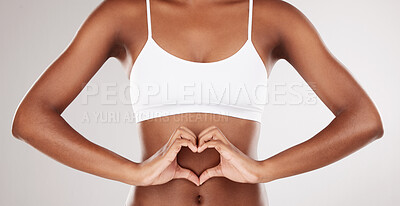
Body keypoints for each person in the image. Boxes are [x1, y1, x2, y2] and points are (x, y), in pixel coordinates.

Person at [11, 0, 384, 205]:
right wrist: (133, 172)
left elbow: (363, 119)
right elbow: (31, 118)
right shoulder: (123, 14)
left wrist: (263, 170)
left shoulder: (273, 16)